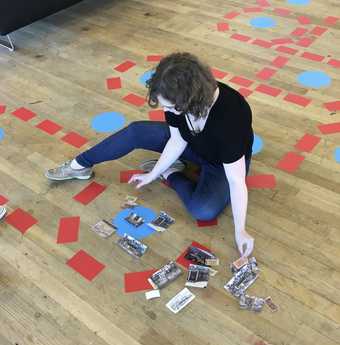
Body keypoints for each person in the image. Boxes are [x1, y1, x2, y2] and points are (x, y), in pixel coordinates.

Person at [45, 52, 255, 257]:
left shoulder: (230, 118)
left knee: (203, 210)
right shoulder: (174, 99)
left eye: (170, 107)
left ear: (190, 101)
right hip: (192, 144)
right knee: (137, 131)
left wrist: (240, 230)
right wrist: (152, 174)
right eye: (164, 105)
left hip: (220, 163)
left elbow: (237, 182)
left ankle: (172, 173)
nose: (166, 110)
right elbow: (177, 140)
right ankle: (79, 165)